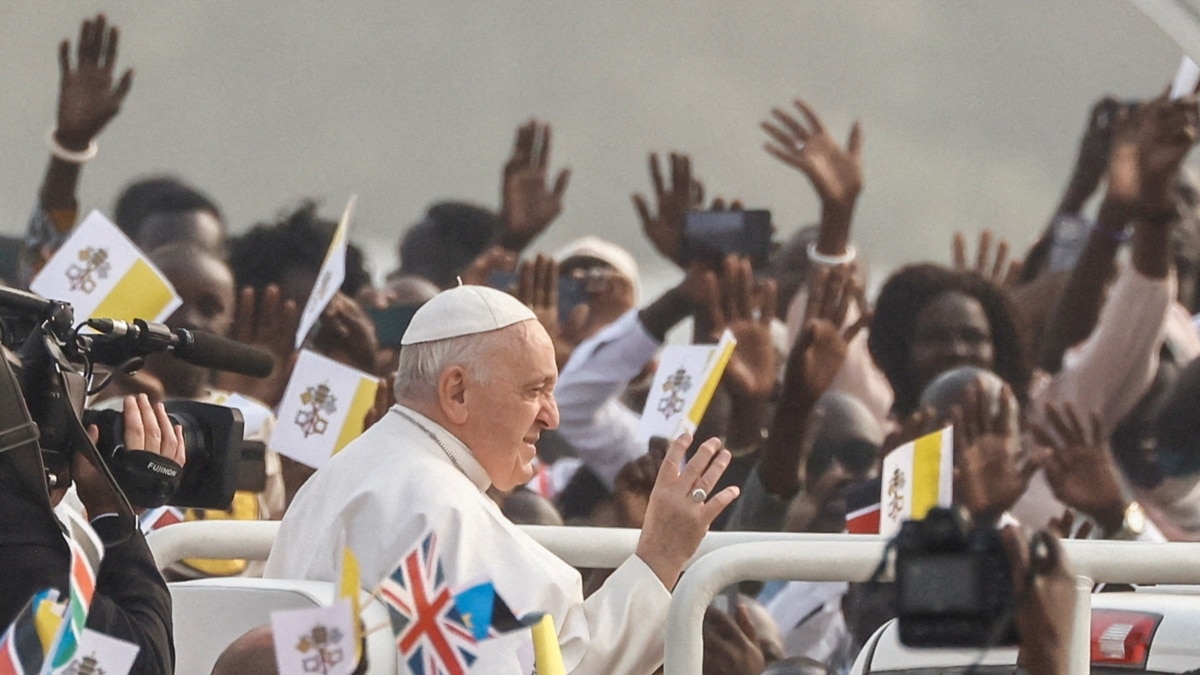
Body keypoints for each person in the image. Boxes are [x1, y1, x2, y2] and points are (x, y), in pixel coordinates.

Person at [265, 285, 739, 673]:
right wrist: (661, 555)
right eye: (535, 391)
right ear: (457, 392)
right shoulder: (442, 512)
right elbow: (563, 667)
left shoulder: (339, 474)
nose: (552, 417)